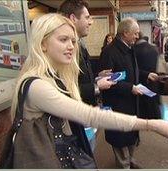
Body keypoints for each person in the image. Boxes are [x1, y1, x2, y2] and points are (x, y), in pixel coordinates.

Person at [10, 13, 168, 169]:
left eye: (73, 41)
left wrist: (98, 80)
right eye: (63, 40)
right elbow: (90, 116)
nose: (71, 47)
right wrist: (151, 125)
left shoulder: (54, 77)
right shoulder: (37, 86)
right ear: (42, 44)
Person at [99, 17, 160, 169]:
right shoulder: (109, 52)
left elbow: (131, 71)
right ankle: (124, 165)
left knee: (131, 136)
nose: (137, 37)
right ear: (125, 33)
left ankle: (130, 161)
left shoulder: (129, 48)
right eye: (135, 33)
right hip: (118, 105)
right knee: (120, 140)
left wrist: (146, 75)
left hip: (131, 103)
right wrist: (130, 88)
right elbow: (107, 82)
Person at [58, 0, 114, 151]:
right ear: (73, 18)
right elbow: (65, 91)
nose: (91, 22)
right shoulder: (64, 50)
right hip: (75, 122)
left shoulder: (79, 44)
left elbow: (79, 77)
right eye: (87, 17)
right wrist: (97, 87)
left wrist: (97, 76)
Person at [134, 32, 168, 151]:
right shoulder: (153, 49)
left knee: (135, 115)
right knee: (157, 116)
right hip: (153, 87)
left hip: (138, 88)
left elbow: (134, 70)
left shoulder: (133, 50)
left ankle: (136, 138)